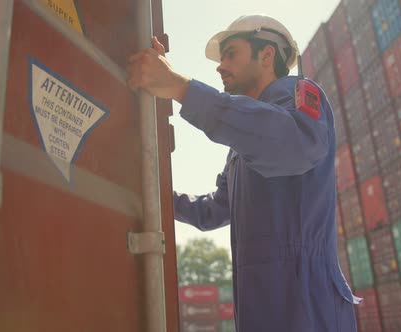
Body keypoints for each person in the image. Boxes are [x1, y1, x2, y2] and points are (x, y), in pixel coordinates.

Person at [127, 15, 361, 331]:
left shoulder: (300, 99)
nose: (220, 66)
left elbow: (290, 146)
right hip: (258, 307)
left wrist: (180, 88)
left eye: (230, 54)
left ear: (266, 55)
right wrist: (155, 194)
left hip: (306, 304)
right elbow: (211, 211)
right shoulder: (242, 144)